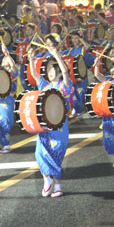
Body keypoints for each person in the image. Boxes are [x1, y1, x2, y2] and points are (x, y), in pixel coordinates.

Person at [27, 34, 74, 197]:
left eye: (53, 70)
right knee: (40, 152)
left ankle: (58, 185)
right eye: (49, 70)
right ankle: (47, 178)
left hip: (60, 126)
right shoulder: (46, 86)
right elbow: (34, 74)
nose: (49, 72)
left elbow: (66, 72)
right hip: (45, 125)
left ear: (58, 73)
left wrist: (55, 55)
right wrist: (31, 59)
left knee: (56, 154)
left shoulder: (64, 85)